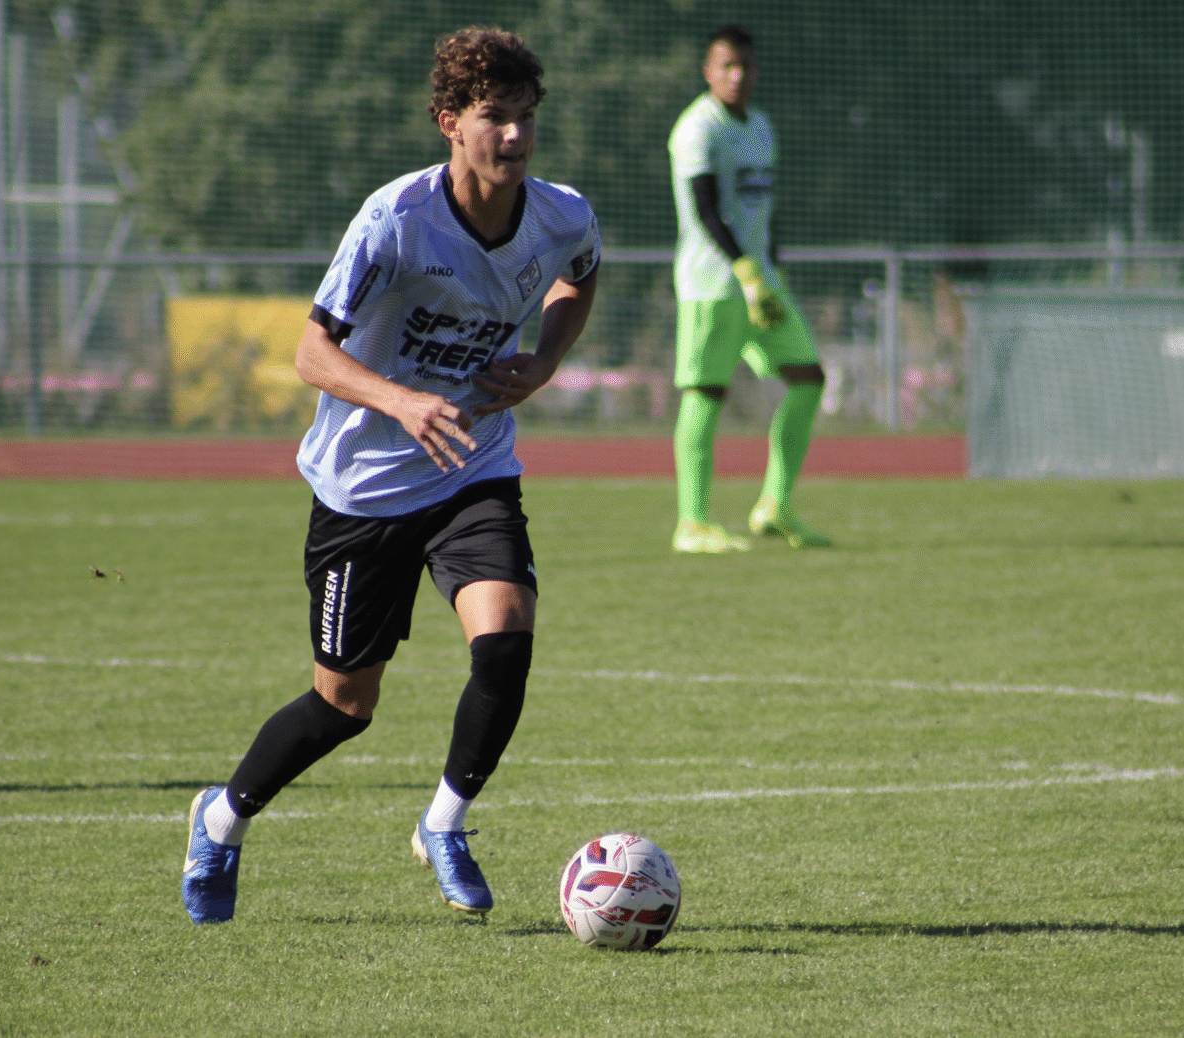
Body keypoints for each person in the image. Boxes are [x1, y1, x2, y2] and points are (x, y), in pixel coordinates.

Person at [181, 26, 601, 925]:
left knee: (506, 637)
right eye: (494, 117)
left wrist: (545, 360)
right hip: (363, 488)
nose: (515, 136)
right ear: (450, 122)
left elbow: (580, 277)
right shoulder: (396, 220)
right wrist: (402, 402)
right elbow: (310, 353)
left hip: (473, 467)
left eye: (526, 117)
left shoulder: (562, 214)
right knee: (344, 705)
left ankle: (443, 824)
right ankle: (220, 820)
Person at [667, 25, 830, 552]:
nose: (737, 76)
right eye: (727, 66)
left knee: (809, 378)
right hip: (712, 285)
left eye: (746, 66)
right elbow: (705, 209)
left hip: (763, 286)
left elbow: (765, 212)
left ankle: (774, 507)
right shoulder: (697, 128)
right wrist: (744, 270)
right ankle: (692, 524)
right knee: (706, 393)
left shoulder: (760, 125)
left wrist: (771, 274)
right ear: (708, 71)